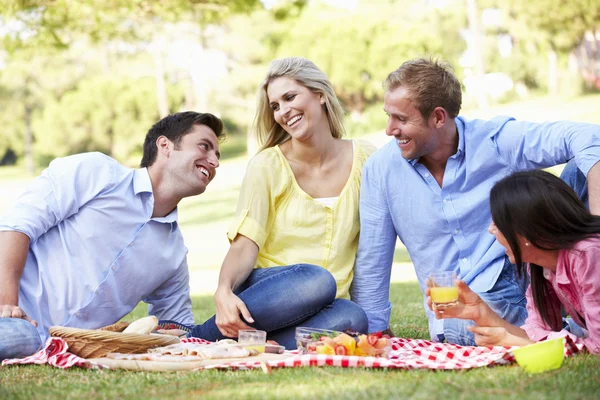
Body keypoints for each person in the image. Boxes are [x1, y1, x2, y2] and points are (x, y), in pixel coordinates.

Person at [351, 57, 600, 346]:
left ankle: (585, 294)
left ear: (438, 117)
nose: (389, 129)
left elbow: (589, 136)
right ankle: (572, 328)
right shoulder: (381, 170)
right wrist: (375, 331)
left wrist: (595, 222)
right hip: (468, 307)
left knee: (583, 168)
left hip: (530, 271)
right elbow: (373, 260)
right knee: (471, 316)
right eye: (388, 116)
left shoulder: (494, 140)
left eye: (402, 119)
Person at [0, 111, 224, 361]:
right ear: (165, 146)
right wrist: (6, 305)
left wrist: (230, 339)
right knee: (19, 336)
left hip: (55, 347)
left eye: (217, 155)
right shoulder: (97, 173)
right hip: (10, 314)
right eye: (205, 147)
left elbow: (177, 327)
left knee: (25, 339)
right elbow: (16, 226)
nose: (214, 161)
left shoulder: (173, 254)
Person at [187, 57, 375, 349]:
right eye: (275, 106)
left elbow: (376, 240)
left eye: (289, 97)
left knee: (353, 318)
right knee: (317, 280)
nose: (283, 111)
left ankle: (254, 344)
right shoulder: (267, 165)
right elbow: (244, 243)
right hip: (271, 291)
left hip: (325, 304)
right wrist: (223, 291)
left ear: (320, 94)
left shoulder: (365, 158)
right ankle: (202, 335)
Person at [427, 170, 600, 354]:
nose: (491, 230)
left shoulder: (589, 256)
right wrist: (481, 312)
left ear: (525, 230)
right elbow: (536, 334)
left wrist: (520, 344)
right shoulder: (541, 266)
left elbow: (596, 347)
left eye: (497, 223)